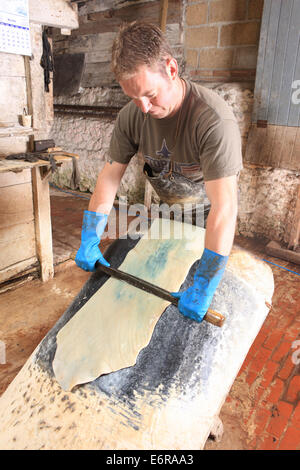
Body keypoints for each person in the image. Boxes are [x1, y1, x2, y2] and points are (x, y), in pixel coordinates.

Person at [75, 21, 243, 324]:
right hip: (168, 217)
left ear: (172, 69)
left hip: (210, 225)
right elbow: (110, 177)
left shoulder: (213, 120)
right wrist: (90, 235)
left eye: (151, 95)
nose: (143, 107)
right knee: (151, 308)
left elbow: (225, 207)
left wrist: (205, 283)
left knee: (190, 319)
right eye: (133, 97)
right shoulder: (132, 116)